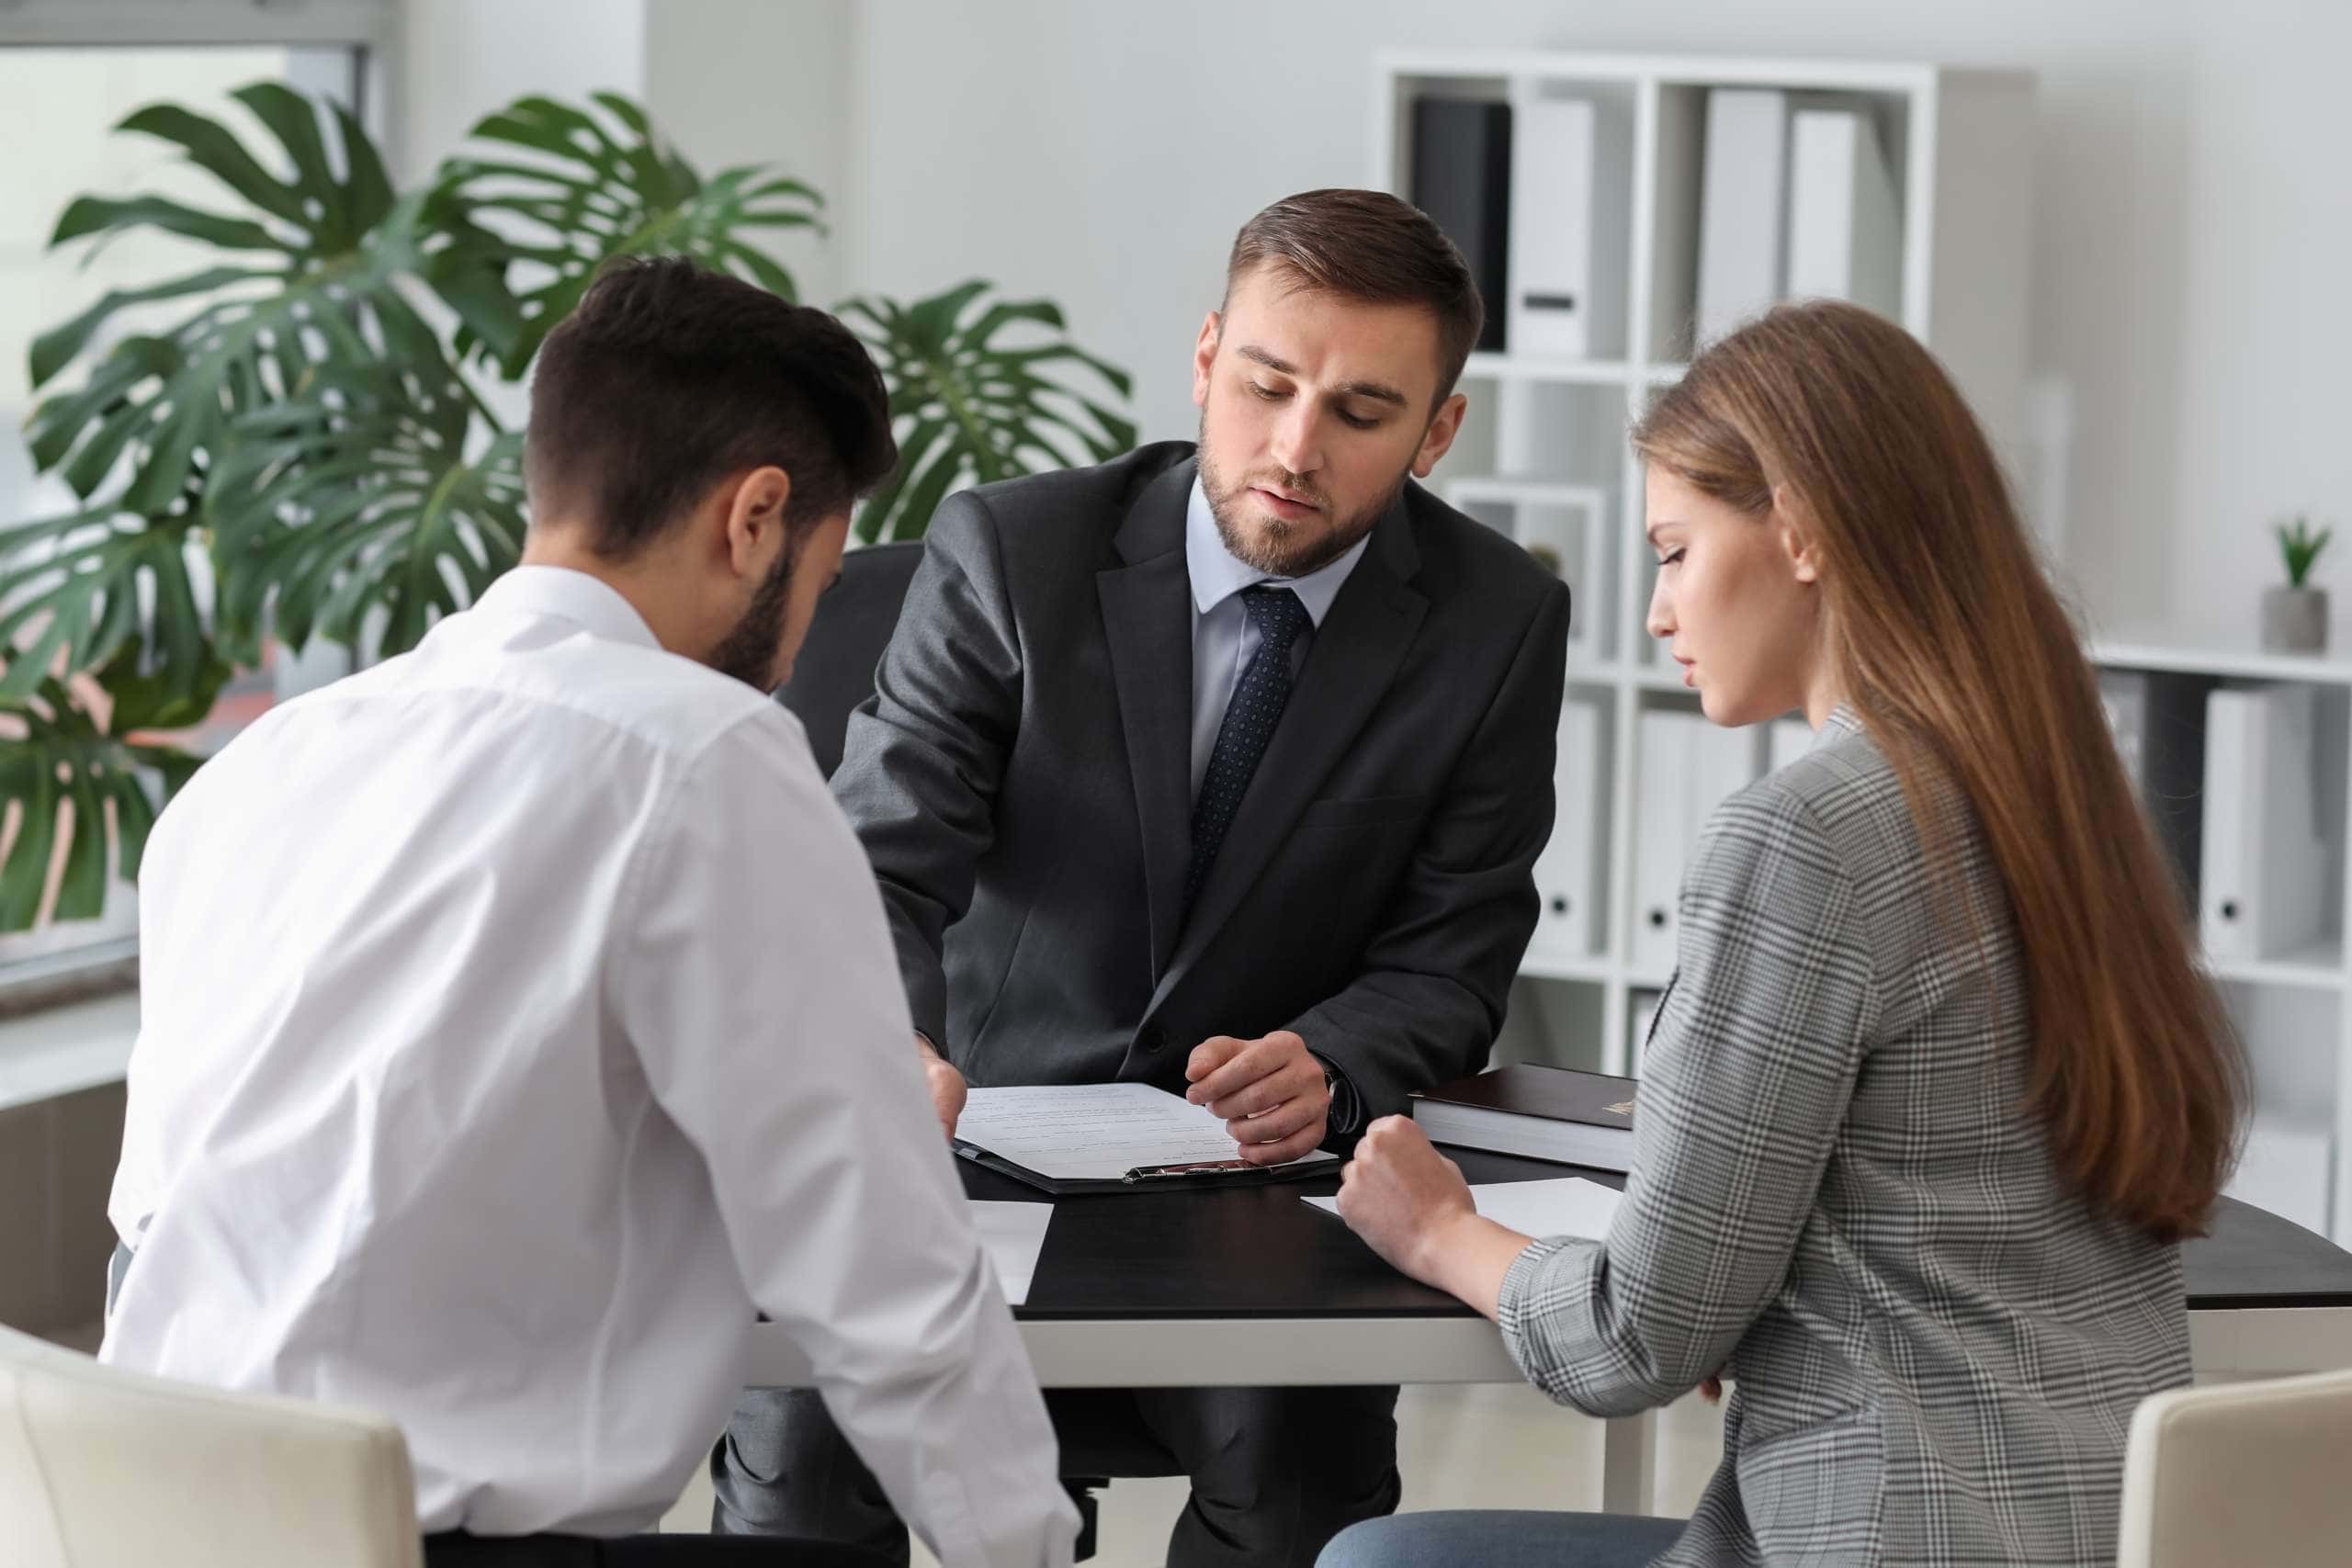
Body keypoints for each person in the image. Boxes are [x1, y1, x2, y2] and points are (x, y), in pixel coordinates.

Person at [101, 258, 1078, 1568]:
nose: (800, 641)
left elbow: (157, 1216)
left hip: (139, 1521)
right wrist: (1024, 1550)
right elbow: (885, 1272)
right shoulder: (706, 753)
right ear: (756, 518)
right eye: (826, 577)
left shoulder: (260, 771)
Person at [713, 189, 1573, 1568]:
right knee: (801, 1454)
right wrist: (897, 1045)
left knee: (1296, 1484)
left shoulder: (1495, 621)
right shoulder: (1013, 551)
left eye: (1359, 413)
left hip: (1252, 1197)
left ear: (1438, 431)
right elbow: (875, 867)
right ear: (1206, 357)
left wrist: (1336, 1057)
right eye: (1267, 385)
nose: (1293, 449)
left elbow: (1455, 954)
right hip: (964, 1153)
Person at [1317, 299, 2247, 1568]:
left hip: (1881, 1542)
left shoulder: (1808, 836)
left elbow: (1635, 1339)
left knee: (1382, 1559)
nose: (1656, 611)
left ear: (1799, 529)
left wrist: (1440, 1230)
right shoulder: (2058, 800)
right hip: (2098, 1532)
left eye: (1675, 550)